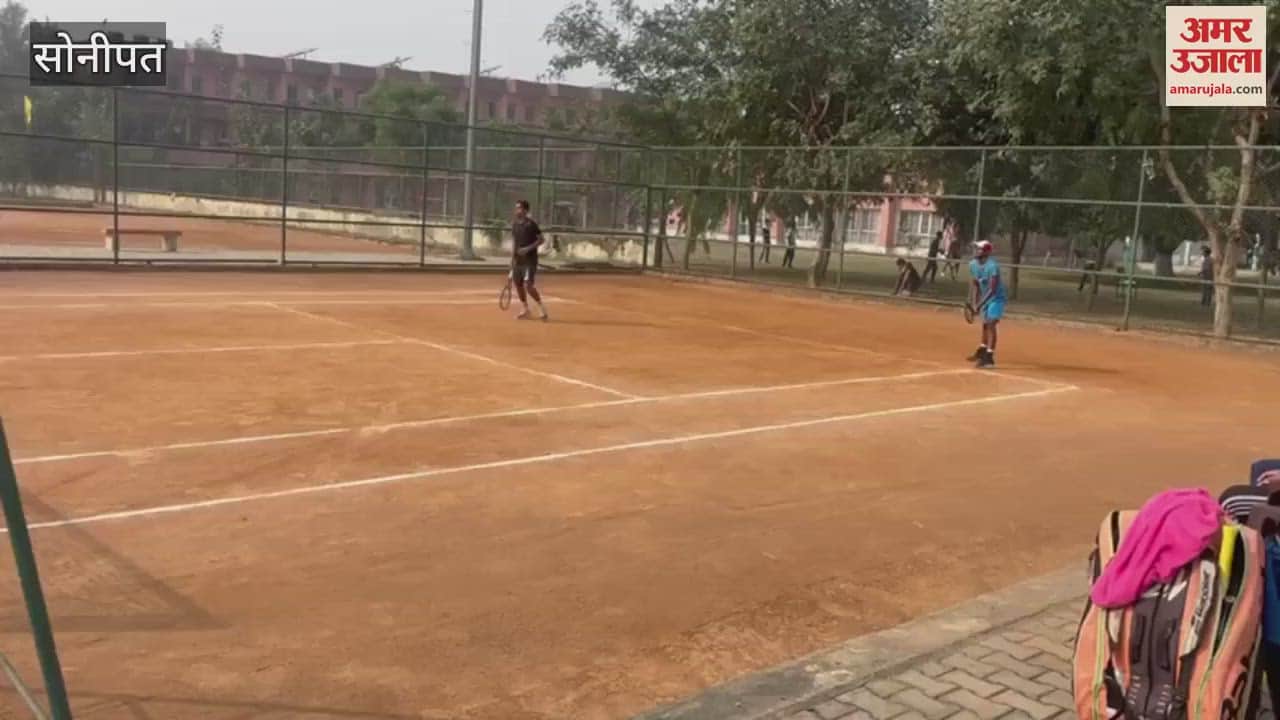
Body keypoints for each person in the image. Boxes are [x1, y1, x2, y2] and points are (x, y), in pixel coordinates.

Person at [966, 240, 1006, 368]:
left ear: (987, 252)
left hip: (996, 298)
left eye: (979, 249)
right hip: (985, 297)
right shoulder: (972, 265)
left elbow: (992, 289)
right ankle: (982, 350)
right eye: (976, 248)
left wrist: (979, 304)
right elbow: (975, 284)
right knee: (985, 325)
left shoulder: (992, 266)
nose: (976, 251)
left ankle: (989, 358)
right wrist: (974, 302)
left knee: (990, 323)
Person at [511, 200, 548, 321]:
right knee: (518, 284)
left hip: (530, 261)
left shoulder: (531, 224)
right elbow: (515, 243)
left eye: (520, 208)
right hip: (518, 261)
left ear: (526, 210)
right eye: (516, 208)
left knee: (528, 285)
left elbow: (541, 240)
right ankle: (525, 309)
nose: (517, 211)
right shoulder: (515, 224)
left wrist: (528, 249)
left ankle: (541, 308)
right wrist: (512, 259)